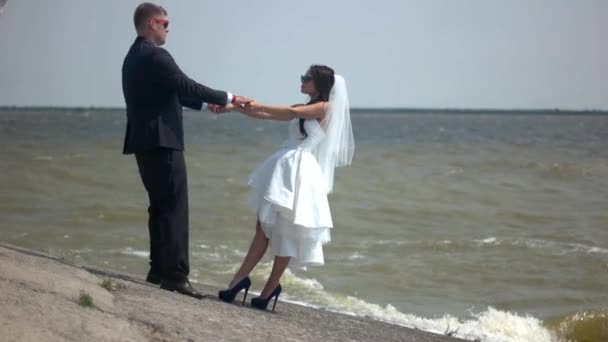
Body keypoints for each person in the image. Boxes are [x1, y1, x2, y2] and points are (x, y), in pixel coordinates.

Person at [121, 2, 252, 299]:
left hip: (144, 142)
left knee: (159, 206)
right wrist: (229, 95)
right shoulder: (156, 55)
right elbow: (184, 84)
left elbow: (171, 92)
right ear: (152, 23)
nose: (169, 29)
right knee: (175, 207)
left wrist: (210, 105)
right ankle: (176, 275)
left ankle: (158, 270)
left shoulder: (134, 56)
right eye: (166, 23)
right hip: (162, 141)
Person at [215, 65, 355, 310]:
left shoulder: (324, 108)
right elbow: (268, 115)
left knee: (288, 232)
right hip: (285, 165)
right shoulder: (303, 107)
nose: (301, 81)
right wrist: (233, 107)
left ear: (319, 84)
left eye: (306, 78)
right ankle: (238, 280)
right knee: (262, 227)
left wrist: (250, 104)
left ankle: (270, 287)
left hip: (301, 170)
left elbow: (288, 112)